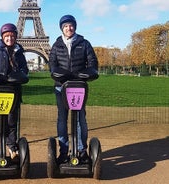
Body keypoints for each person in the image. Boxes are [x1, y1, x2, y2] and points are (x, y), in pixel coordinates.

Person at [48, 15, 99, 164]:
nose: (68, 28)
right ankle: (64, 151)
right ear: (61, 28)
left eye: (70, 25)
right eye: (65, 26)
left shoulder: (85, 44)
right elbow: (52, 64)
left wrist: (88, 73)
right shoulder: (56, 45)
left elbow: (93, 63)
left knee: (80, 119)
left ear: (75, 27)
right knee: (62, 119)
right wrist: (58, 73)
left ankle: (81, 150)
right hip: (61, 87)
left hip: (79, 86)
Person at [0, 23, 29, 160]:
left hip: (12, 94)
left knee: (11, 122)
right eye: (7, 36)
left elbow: (24, 72)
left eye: (12, 36)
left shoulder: (20, 55)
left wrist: (17, 77)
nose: (10, 38)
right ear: (2, 37)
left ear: (16, 37)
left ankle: (12, 148)